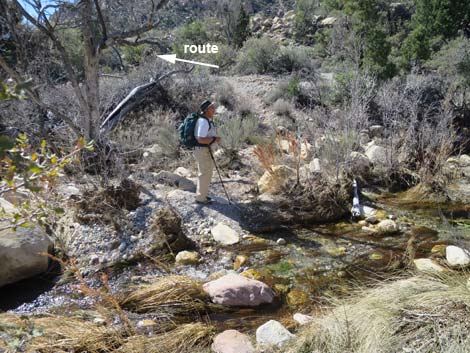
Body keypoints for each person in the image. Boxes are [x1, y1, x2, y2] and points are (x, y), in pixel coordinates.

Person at [194, 100, 221, 204]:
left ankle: (202, 195)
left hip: (204, 150)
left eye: (213, 107)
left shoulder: (206, 120)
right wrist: (215, 139)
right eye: (211, 108)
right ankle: (201, 198)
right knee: (205, 173)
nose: (214, 109)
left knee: (206, 173)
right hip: (202, 150)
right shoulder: (204, 122)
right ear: (206, 110)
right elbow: (200, 139)